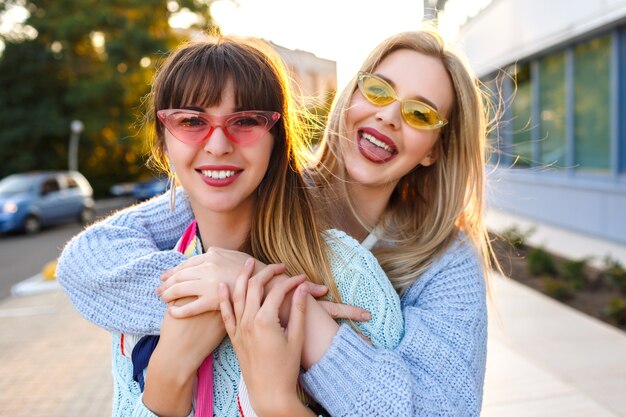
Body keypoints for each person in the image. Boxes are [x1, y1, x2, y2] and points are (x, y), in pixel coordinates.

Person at [58, 27, 493, 416]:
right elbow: (90, 261)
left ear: (436, 147)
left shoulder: (446, 263)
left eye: (420, 113)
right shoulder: (259, 186)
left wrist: (285, 305)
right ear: (351, 97)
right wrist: (237, 294)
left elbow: (442, 408)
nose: (390, 115)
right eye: (378, 90)